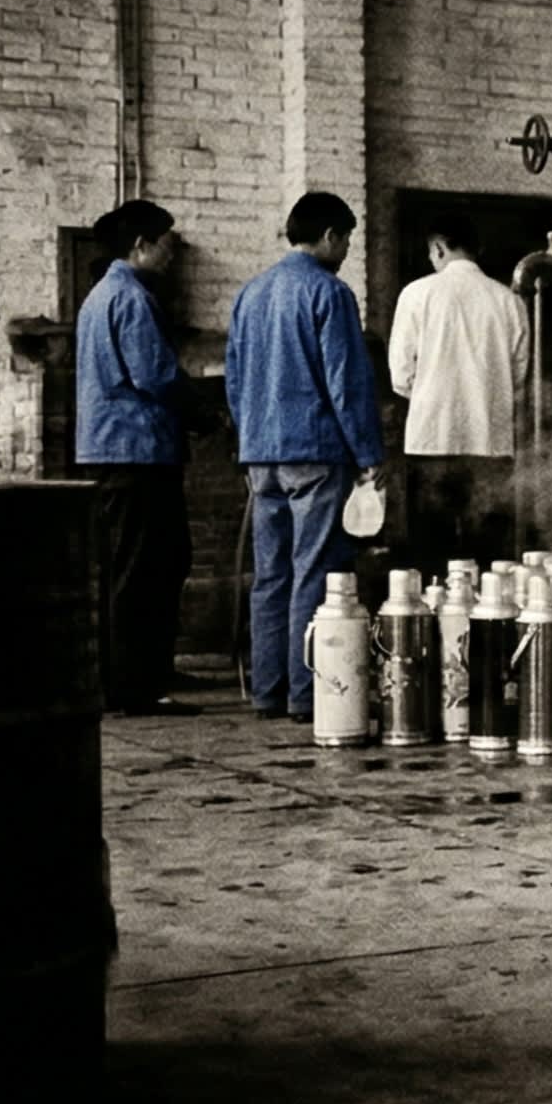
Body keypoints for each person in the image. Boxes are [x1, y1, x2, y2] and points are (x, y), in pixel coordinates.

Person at [226, 192, 384, 721]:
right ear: (331, 236)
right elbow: (347, 383)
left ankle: (267, 693)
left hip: (260, 455)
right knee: (313, 573)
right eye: (346, 240)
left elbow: (234, 380)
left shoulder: (251, 294)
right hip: (314, 452)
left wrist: (250, 440)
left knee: (269, 576)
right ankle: (305, 695)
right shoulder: (330, 293)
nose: (345, 251)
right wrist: (367, 452)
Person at [75, 199, 196, 715]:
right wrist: (203, 406)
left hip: (111, 450)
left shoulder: (98, 297)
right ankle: (137, 687)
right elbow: (155, 376)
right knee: (146, 569)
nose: (171, 254)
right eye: (166, 243)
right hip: (138, 450)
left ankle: (135, 674)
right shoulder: (133, 298)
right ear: (141, 246)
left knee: (130, 568)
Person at [388, 213, 529, 578]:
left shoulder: (416, 295)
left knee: (431, 560)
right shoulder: (510, 302)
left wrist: (431, 391)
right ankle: (487, 632)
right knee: (489, 564)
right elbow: (519, 378)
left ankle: (433, 632)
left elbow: (401, 377)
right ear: (476, 250)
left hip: (431, 443)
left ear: (437, 249)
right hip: (491, 447)